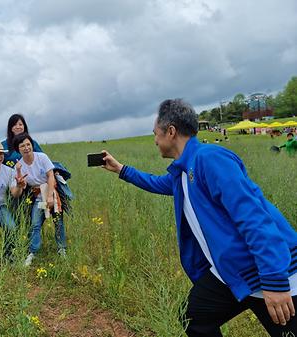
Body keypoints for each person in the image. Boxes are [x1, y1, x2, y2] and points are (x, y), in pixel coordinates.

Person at [102, 99, 297, 337]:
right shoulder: (182, 172)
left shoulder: (209, 158)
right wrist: (121, 169)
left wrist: (274, 280)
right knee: (192, 317)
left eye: (156, 133)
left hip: (269, 271)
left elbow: (254, 217)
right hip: (231, 273)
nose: (154, 140)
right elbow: (155, 182)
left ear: (171, 131)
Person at [12, 133, 67, 267]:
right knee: (35, 223)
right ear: (18, 149)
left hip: (50, 191)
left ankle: (62, 248)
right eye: (22, 146)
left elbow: (50, 176)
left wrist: (49, 196)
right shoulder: (19, 165)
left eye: (28, 144)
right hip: (37, 196)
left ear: (32, 145)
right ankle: (33, 251)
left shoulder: (42, 157)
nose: (26, 148)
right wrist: (18, 173)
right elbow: (21, 185)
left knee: (58, 220)